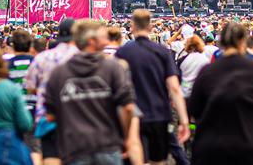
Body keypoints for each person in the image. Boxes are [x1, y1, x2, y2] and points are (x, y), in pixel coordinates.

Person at [188, 23, 253, 165]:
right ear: (243, 41)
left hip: (213, 147)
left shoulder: (208, 71)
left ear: (221, 42)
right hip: (252, 144)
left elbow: (194, 108)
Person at [45, 20, 142, 165]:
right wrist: (126, 136)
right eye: (103, 36)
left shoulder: (58, 73)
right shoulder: (113, 69)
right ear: (91, 41)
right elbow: (128, 108)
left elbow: (50, 116)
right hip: (107, 145)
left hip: (73, 148)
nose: (107, 40)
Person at [116, 9, 190, 165]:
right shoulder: (162, 52)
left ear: (132, 27)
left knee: (136, 159)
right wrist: (183, 120)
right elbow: (174, 88)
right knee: (158, 161)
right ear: (150, 27)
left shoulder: (122, 53)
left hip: (132, 116)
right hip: (159, 114)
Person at [26, 18, 79, 165]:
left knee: (50, 155)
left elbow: (30, 87)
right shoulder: (83, 56)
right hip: (78, 117)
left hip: (47, 117)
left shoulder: (42, 58)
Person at [8, 29, 41, 165]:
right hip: (36, 112)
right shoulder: (39, 63)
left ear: (13, 45)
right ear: (30, 45)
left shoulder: (6, 66)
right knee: (35, 150)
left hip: (14, 114)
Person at [177, 35, 210, 99]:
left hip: (183, 93)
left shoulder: (182, 60)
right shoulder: (205, 59)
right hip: (199, 94)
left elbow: (178, 77)